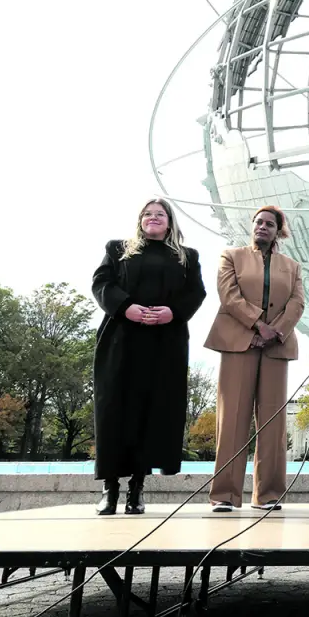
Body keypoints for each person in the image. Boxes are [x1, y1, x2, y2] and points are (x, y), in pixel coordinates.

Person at [91, 198, 206, 516]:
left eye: (160, 214)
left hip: (164, 345)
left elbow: (196, 293)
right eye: (148, 214)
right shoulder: (118, 249)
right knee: (114, 412)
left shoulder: (186, 256)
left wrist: (174, 312)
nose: (153, 218)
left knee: (150, 413)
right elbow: (101, 283)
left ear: (170, 222)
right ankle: (109, 488)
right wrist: (125, 306)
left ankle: (136, 489)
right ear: (140, 220)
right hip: (121, 340)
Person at [205, 206, 305, 512]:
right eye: (258, 222)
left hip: (276, 345)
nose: (263, 226)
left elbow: (298, 301)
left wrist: (276, 330)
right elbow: (228, 294)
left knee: (273, 423)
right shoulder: (231, 256)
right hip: (239, 343)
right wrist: (257, 323)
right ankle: (225, 494)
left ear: (278, 231)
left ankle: (269, 494)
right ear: (252, 227)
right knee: (232, 418)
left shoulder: (292, 266)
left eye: (270, 224)